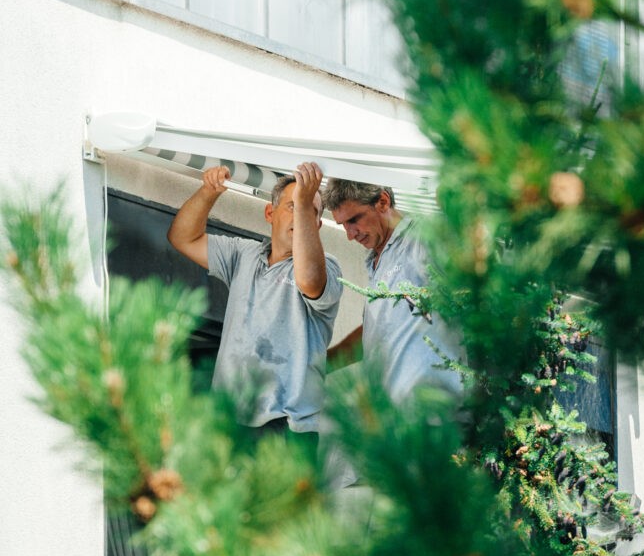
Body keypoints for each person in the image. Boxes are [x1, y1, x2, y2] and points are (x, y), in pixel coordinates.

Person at [168, 162, 342, 455]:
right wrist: (209, 191)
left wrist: (301, 205)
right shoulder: (244, 254)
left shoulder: (329, 266)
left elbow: (310, 281)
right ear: (269, 213)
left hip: (288, 429)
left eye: (310, 210)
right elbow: (183, 238)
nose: (301, 214)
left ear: (318, 225)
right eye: (292, 206)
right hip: (228, 422)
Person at [323, 178, 463, 403]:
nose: (350, 234)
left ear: (382, 202)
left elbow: (462, 261)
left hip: (434, 407)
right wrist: (324, 363)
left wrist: (454, 213)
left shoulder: (420, 239)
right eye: (343, 225)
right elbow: (382, 331)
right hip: (393, 413)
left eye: (354, 219)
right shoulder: (376, 260)